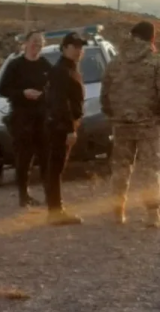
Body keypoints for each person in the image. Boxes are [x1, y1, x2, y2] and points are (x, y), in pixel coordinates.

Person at [100, 20, 160, 227]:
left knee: (121, 168)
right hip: (148, 124)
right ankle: (152, 215)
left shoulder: (115, 62)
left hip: (121, 124)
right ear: (151, 38)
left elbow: (104, 96)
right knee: (149, 170)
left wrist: (113, 115)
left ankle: (118, 212)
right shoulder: (155, 62)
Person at [0, 30, 52, 207]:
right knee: (23, 159)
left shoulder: (45, 65)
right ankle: (24, 195)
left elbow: (54, 89)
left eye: (41, 42)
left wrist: (43, 95)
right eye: (34, 41)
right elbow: (3, 89)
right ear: (26, 43)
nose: (37, 45)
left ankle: (50, 194)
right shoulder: (15, 65)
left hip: (42, 118)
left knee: (46, 158)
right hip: (21, 119)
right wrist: (23, 93)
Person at [45, 32, 86, 225]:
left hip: (64, 123)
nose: (78, 50)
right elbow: (60, 103)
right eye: (74, 46)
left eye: (80, 47)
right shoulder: (61, 71)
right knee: (55, 168)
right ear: (64, 48)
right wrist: (69, 129)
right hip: (59, 126)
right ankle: (55, 212)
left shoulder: (70, 68)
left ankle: (55, 210)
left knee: (57, 167)